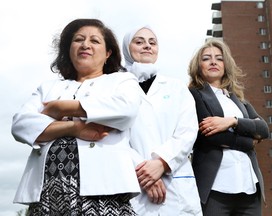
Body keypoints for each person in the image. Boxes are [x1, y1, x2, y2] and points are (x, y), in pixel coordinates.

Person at [11, 18, 143, 216]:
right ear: (68, 50)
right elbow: (21, 124)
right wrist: (75, 128)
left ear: (108, 53)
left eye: (95, 41)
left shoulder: (121, 80)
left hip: (104, 192)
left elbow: (126, 109)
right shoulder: (48, 87)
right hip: (49, 192)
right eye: (78, 39)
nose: (85, 45)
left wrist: (62, 109)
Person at [122, 25, 202, 215]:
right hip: (134, 183)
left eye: (152, 42)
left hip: (176, 184)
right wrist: (145, 173)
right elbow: (114, 137)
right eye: (139, 41)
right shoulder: (117, 87)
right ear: (127, 48)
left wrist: (162, 163)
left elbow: (187, 132)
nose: (147, 46)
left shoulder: (176, 87)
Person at [188, 38, 269, 216]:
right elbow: (210, 136)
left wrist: (232, 121)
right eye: (206, 58)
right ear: (198, 65)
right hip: (216, 188)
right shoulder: (193, 95)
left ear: (226, 64)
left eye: (219, 58)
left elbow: (263, 129)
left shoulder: (237, 99)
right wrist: (250, 141)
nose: (213, 62)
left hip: (249, 187)